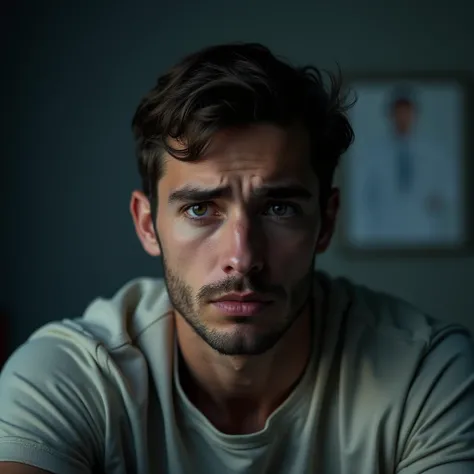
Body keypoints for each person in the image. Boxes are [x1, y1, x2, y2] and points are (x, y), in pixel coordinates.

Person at [0, 43, 473, 474]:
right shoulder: (69, 378)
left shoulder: (428, 375)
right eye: (201, 209)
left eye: (279, 208)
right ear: (148, 225)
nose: (242, 258)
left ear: (325, 223)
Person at [351, 89, 460, 246]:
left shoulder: (433, 154)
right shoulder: (372, 154)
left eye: (407, 113)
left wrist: (437, 201)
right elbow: (360, 195)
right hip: (383, 232)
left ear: (415, 115)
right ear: (390, 116)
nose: (403, 118)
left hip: (424, 231)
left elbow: (450, 189)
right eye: (398, 113)